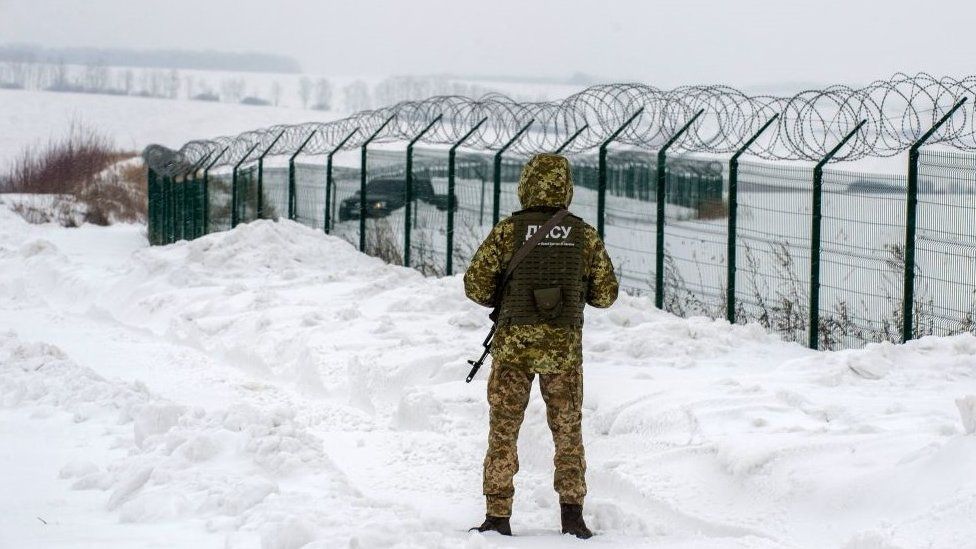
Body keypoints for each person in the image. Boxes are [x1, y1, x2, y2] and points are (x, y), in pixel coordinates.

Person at [463, 153, 619, 538]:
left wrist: (508, 295)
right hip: (562, 351)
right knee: (568, 433)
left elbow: (475, 284)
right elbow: (606, 295)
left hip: (513, 347)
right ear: (566, 187)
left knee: (503, 431)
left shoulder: (509, 231)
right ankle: (572, 516)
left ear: (526, 184)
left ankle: (497, 516)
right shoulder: (583, 234)